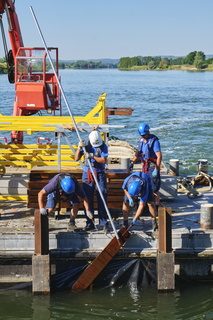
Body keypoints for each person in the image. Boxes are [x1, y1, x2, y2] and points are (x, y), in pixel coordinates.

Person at [75, 130, 109, 232]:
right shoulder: (86, 145)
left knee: (102, 196)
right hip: (88, 173)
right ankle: (90, 222)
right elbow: (76, 158)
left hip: (99, 173)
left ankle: (104, 222)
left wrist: (92, 156)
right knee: (87, 197)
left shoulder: (103, 146)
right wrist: (79, 148)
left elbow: (103, 160)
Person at [130, 123, 162, 212]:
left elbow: (159, 156)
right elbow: (138, 153)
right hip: (144, 166)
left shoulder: (154, 141)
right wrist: (132, 162)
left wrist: (156, 169)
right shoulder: (141, 141)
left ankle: (156, 208)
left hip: (152, 166)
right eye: (142, 135)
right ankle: (147, 206)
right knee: (144, 186)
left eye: (145, 135)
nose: (144, 136)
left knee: (155, 189)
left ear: (148, 131)